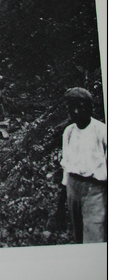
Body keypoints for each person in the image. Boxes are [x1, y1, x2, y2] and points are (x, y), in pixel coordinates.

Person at [59, 87, 107, 243]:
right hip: (73, 188)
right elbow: (66, 164)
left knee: (93, 232)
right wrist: (63, 193)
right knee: (77, 232)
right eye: (71, 107)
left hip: (94, 189)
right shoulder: (69, 132)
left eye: (80, 107)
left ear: (89, 108)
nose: (75, 112)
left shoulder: (102, 131)